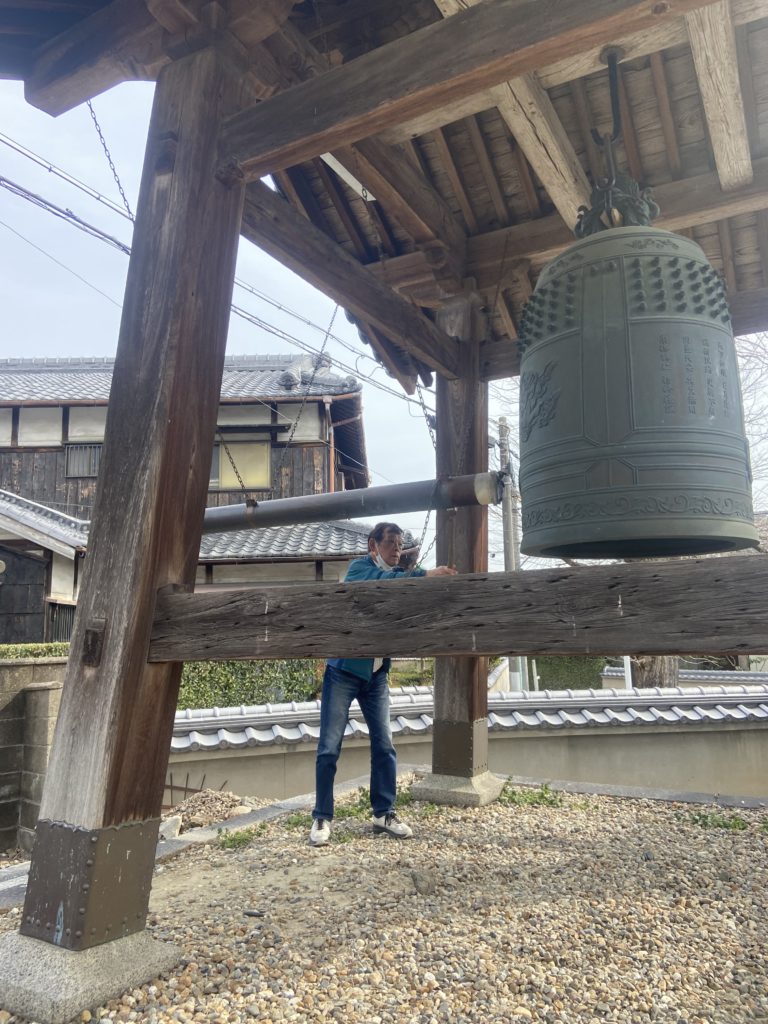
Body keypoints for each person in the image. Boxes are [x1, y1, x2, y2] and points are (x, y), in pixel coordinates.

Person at [310, 521, 457, 847]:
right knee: (329, 747)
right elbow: (379, 583)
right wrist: (424, 575)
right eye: (390, 543)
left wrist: (430, 579)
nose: (396, 549)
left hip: (376, 673)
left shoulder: (400, 575)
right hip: (343, 670)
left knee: (385, 745)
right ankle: (322, 815)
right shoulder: (359, 569)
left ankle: (384, 812)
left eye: (400, 544)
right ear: (373, 545)